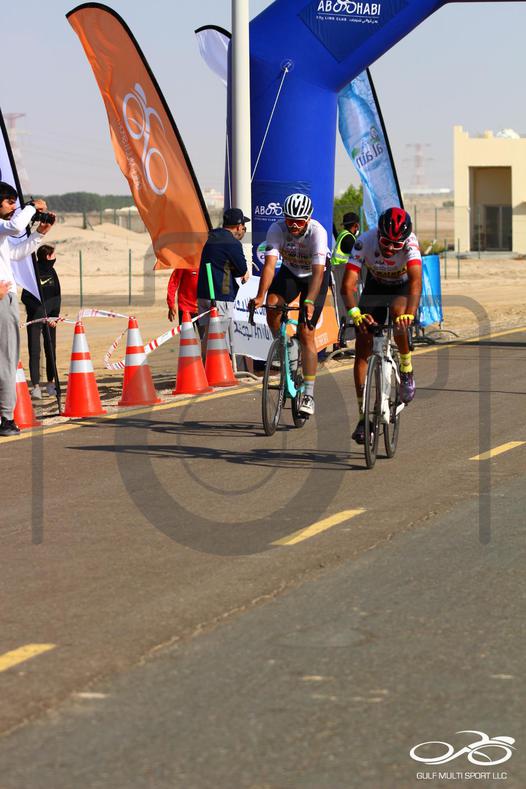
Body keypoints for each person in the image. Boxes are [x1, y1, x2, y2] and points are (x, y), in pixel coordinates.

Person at [341, 207, 422, 444]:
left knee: (399, 316)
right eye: (386, 242)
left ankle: (406, 368)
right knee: (363, 345)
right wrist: (355, 313)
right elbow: (348, 284)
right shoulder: (364, 241)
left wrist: (410, 314)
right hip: (375, 287)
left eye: (397, 245)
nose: (390, 249)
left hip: (401, 288)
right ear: (378, 234)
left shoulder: (410, 244)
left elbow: (416, 282)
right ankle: (363, 417)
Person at [250, 192, 330, 417]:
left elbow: (318, 273)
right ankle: (285, 345)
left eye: (299, 221)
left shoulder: (318, 232)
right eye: (290, 220)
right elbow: (269, 266)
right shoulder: (277, 229)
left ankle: (309, 395)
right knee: (272, 304)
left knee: (306, 332)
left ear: (308, 219)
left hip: (315, 277)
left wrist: (310, 301)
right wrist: (260, 296)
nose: (294, 225)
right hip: (291, 272)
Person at [0, 182, 54, 436]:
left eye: (15, 202)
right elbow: (15, 226)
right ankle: (6, 418)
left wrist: (39, 235)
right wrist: (31, 207)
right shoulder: (6, 226)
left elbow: (14, 254)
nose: (13, 207)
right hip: (3, 299)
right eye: (9, 202)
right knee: (7, 358)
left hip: (5, 297)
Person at [197, 207, 250, 357]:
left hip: (203, 294)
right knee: (218, 338)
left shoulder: (211, 238)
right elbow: (241, 269)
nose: (243, 231)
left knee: (207, 336)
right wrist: (242, 272)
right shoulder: (232, 243)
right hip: (220, 296)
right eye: (244, 227)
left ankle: (205, 367)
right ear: (238, 227)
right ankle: (216, 369)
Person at [21, 244, 61, 399]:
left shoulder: (52, 272)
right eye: (54, 254)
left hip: (50, 320)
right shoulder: (33, 272)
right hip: (35, 318)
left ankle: (51, 383)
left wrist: (54, 316)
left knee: (51, 350)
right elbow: (26, 297)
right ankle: (36, 386)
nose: (55, 257)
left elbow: (57, 295)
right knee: (35, 351)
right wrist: (40, 313)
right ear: (47, 256)